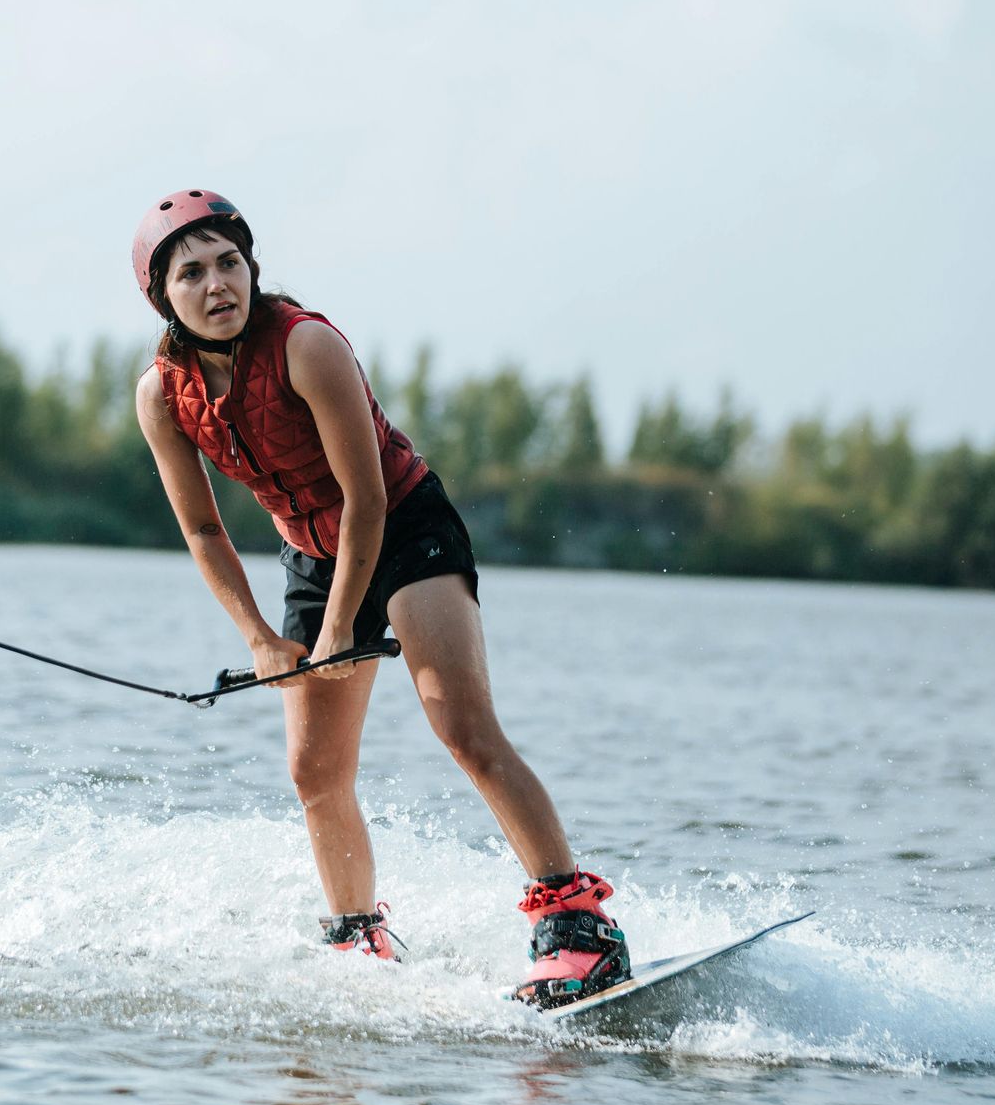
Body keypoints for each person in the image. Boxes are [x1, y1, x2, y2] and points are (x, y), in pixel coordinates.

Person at [131, 189, 630, 1007]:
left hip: (403, 526)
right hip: (310, 553)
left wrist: (334, 632)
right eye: (192, 273)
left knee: (461, 727)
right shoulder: (160, 395)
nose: (217, 284)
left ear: (252, 268)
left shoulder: (308, 345)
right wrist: (263, 638)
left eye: (230, 263)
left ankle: (580, 929)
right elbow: (204, 533)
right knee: (313, 769)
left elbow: (365, 500)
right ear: (163, 296)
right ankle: (356, 937)